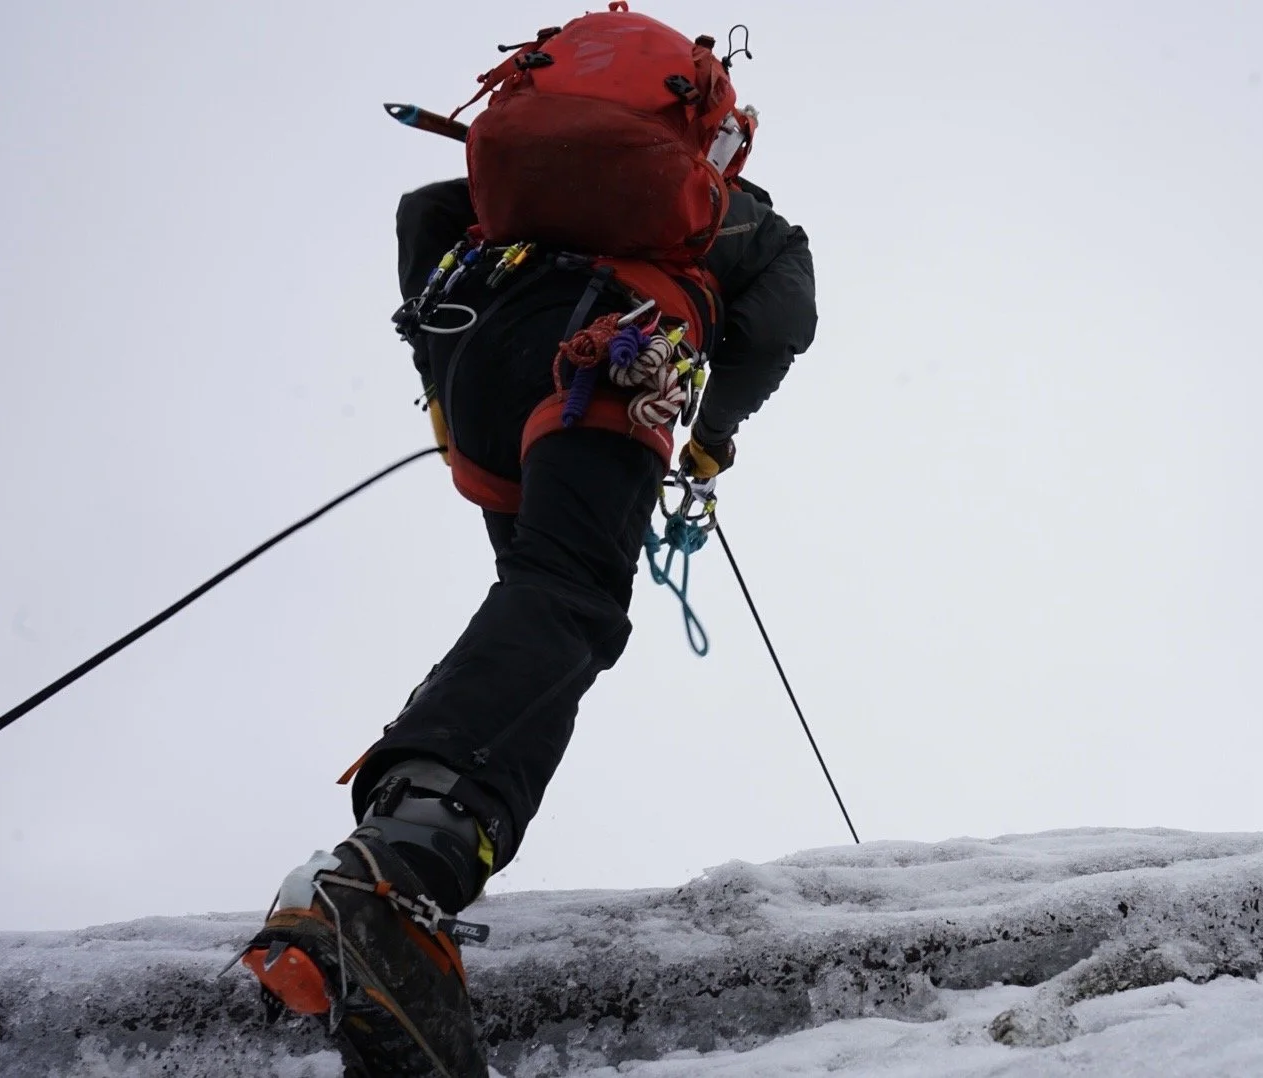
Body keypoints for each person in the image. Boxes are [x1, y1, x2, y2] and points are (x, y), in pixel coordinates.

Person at [240, 9, 816, 1076]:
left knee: (552, 609)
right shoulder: (729, 212)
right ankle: (399, 861)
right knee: (571, 601)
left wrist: (441, 389)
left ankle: (410, 872)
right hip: (616, 350)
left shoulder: (508, 174)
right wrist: (712, 435)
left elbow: (424, 215)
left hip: (481, 353)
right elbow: (785, 311)